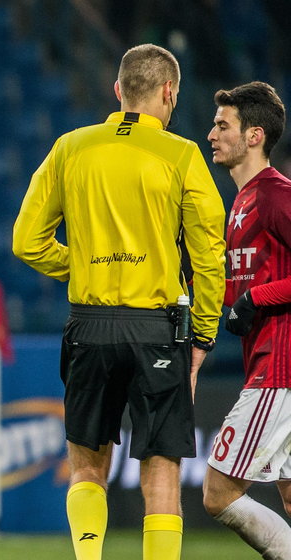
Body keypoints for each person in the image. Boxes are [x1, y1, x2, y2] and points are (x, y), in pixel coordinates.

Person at [12, 44, 226, 560]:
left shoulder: (71, 148)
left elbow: (26, 240)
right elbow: (209, 254)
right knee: (161, 475)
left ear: (118, 91)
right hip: (158, 329)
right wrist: (202, 334)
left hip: (90, 326)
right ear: (169, 92)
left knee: (87, 467)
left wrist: (86, 262)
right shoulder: (182, 154)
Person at [203, 81, 291, 559]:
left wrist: (258, 297)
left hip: (278, 371)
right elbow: (240, 292)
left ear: (254, 135)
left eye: (223, 125)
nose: (212, 133)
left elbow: (256, 292)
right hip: (273, 364)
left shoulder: (275, 194)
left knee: (217, 493)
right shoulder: (239, 202)